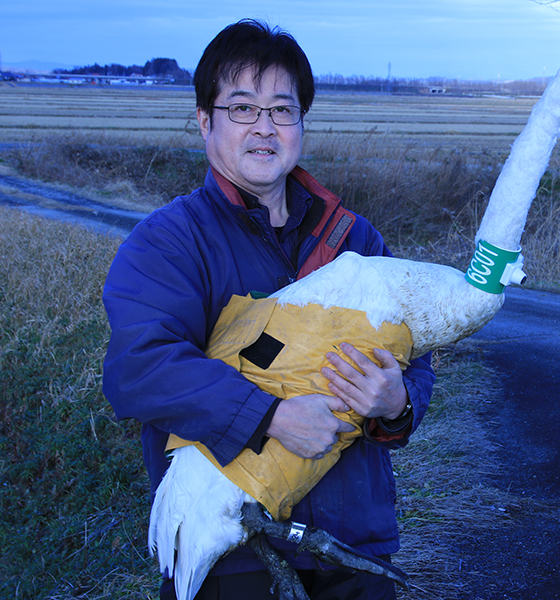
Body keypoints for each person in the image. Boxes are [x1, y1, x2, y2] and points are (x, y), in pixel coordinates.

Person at [102, 19, 435, 600]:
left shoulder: (356, 242)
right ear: (205, 121)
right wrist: (269, 416)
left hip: (354, 547)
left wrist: (397, 401)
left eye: (282, 110)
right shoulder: (170, 243)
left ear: (302, 123)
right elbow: (140, 368)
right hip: (234, 557)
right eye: (241, 108)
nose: (264, 127)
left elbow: (415, 362)